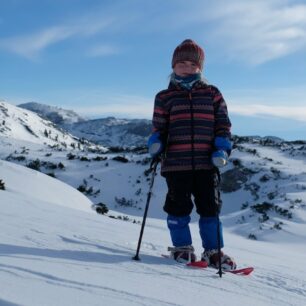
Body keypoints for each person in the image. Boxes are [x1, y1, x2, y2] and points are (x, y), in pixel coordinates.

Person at [148, 39, 236, 270]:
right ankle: (182, 248)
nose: (186, 67)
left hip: (207, 162)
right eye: (181, 63)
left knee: (210, 208)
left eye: (192, 63)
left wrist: (221, 148)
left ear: (200, 68)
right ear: (173, 66)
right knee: (178, 207)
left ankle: (213, 251)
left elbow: (223, 125)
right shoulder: (164, 97)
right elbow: (158, 128)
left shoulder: (212, 93)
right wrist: (155, 143)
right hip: (176, 163)